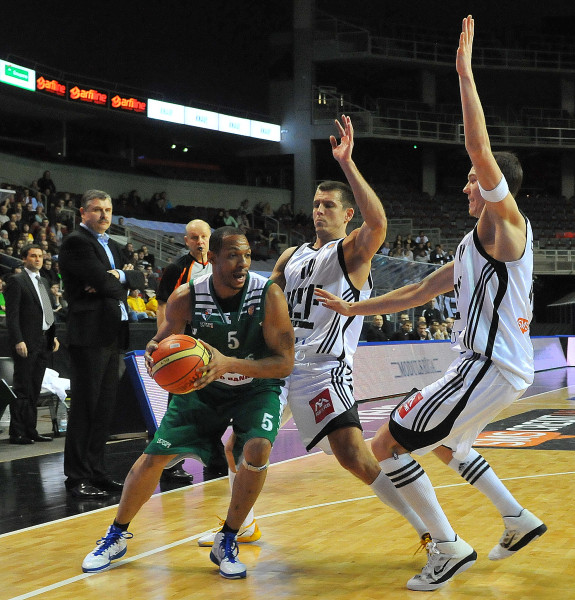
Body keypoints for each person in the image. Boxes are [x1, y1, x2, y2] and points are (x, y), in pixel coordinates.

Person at [315, 17, 546, 591]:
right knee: (446, 444)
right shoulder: (471, 246)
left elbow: (478, 145)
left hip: (489, 364)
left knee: (387, 442)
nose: (466, 186)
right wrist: (353, 310)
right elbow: (418, 291)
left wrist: (465, 76)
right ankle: (517, 519)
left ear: (495, 187)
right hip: (493, 367)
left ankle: (447, 547)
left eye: (473, 180)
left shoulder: (506, 227)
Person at [81, 227, 295, 579]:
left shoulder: (268, 294)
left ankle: (228, 537)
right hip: (201, 389)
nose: (242, 264)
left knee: (256, 449)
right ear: (211, 259)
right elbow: (161, 340)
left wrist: (227, 363)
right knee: (155, 457)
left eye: (246, 255)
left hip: (255, 387)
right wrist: (155, 353)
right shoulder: (186, 297)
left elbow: (284, 363)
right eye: (232, 256)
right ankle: (116, 535)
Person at [59, 190, 144, 499]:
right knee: (85, 407)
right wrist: (116, 280)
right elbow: (109, 283)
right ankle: (77, 477)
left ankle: (97, 472)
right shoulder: (76, 242)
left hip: (112, 333)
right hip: (90, 334)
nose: (104, 215)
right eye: (97, 210)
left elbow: (137, 280)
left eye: (108, 209)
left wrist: (119, 275)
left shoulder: (115, 248)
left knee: (104, 408)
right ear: (83, 213)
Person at [155, 218, 216, 483]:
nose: (200, 242)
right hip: (185, 344)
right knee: (179, 403)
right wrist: (163, 342)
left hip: (215, 342)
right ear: (186, 241)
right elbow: (161, 304)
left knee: (215, 401)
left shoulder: (220, 263)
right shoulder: (177, 268)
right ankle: (169, 463)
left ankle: (211, 456)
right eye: (194, 238)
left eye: (203, 237)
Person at [5, 244, 59, 443]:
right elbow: (12, 316)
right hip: (26, 341)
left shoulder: (43, 280)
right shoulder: (16, 281)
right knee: (22, 387)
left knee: (35, 387)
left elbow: (47, 311)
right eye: (33, 256)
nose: (38, 259)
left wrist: (52, 336)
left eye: (40, 256)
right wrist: (18, 339)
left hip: (43, 340)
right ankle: (17, 432)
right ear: (24, 258)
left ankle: (31, 430)